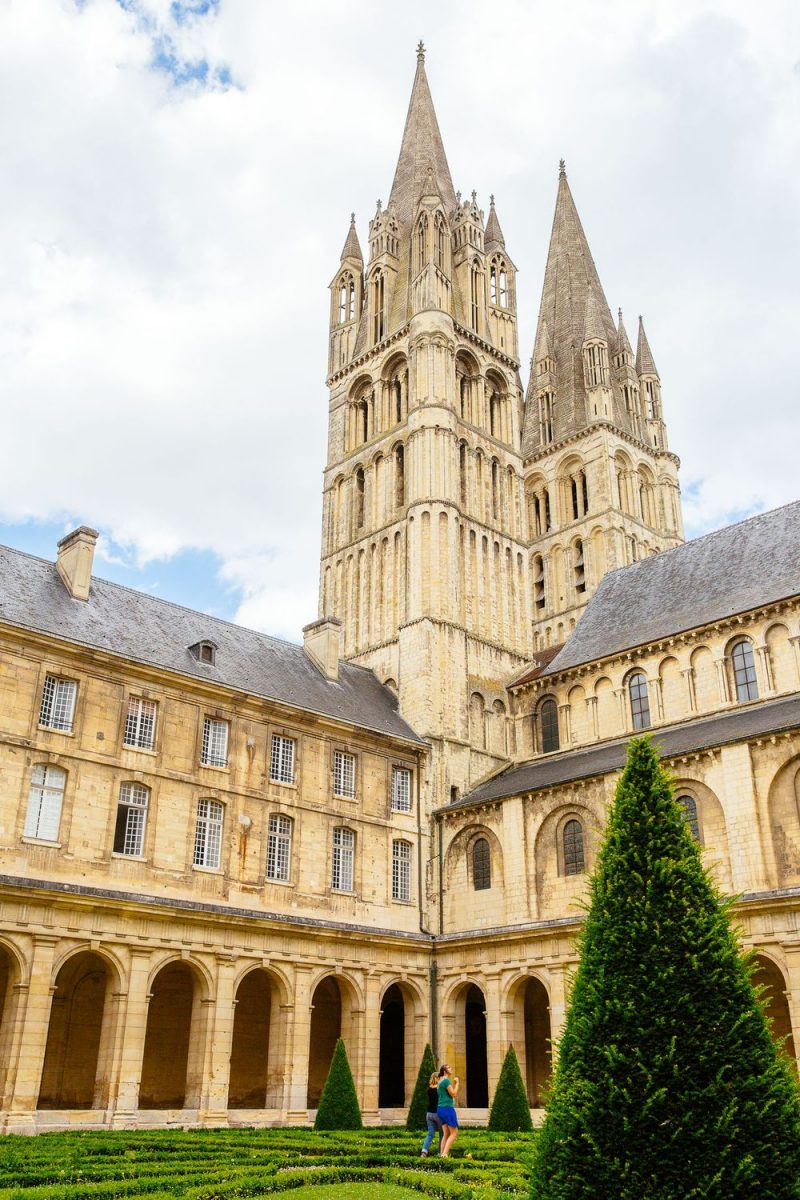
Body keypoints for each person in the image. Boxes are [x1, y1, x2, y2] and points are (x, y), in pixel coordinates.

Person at [436, 1063, 460, 1157]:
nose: (451, 1068)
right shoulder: (446, 1081)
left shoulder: (440, 1081)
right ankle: (445, 1154)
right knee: (454, 1133)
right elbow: (453, 1094)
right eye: (449, 1067)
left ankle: (442, 1154)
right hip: (447, 1109)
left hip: (440, 1109)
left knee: (446, 1134)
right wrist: (457, 1083)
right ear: (445, 1071)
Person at [420, 1071, 442, 1156]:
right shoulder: (439, 1089)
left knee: (430, 1134)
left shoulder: (429, 1089)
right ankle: (440, 1152)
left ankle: (424, 1151)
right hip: (438, 1114)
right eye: (439, 1077)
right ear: (436, 1078)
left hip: (429, 1114)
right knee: (442, 1134)